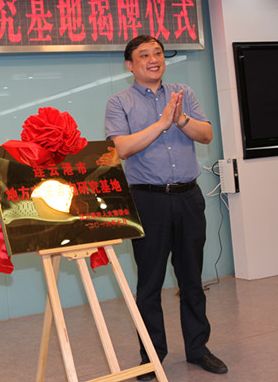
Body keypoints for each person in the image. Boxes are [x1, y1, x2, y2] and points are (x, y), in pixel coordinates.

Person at [104, 36, 227, 381]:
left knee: (192, 279)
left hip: (188, 197)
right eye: (144, 55)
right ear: (130, 65)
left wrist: (180, 118)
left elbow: (206, 135)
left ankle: (198, 348)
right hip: (148, 200)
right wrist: (161, 123)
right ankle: (152, 356)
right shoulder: (119, 101)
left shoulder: (182, 93)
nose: (153, 59)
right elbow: (123, 148)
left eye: (157, 53)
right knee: (150, 284)